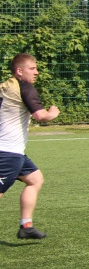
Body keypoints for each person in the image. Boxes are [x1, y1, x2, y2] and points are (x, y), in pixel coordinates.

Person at [0, 53, 61, 239]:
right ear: (20, 71)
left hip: (12, 152)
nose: (36, 72)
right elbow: (40, 116)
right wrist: (52, 112)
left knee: (35, 179)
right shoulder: (24, 87)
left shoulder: (4, 87)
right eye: (32, 68)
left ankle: (26, 226)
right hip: (7, 153)